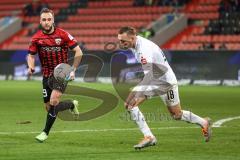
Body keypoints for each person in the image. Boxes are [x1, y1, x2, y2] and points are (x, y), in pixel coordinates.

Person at [117, 26, 212, 149]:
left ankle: (203, 122)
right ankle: (149, 137)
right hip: (156, 81)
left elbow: (149, 76)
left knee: (176, 115)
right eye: (119, 40)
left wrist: (136, 90)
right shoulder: (135, 45)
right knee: (130, 104)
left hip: (166, 82)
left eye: (123, 41)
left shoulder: (143, 49)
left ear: (133, 37)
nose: (121, 43)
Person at [27, 8, 83, 142]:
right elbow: (31, 55)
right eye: (44, 20)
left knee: (53, 102)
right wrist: (31, 66)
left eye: (49, 19)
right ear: (40, 21)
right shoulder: (36, 38)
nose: (47, 22)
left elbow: (79, 52)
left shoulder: (63, 35)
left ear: (53, 20)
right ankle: (70, 104)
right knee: (49, 107)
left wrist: (73, 69)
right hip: (46, 75)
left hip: (62, 72)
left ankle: (45, 133)